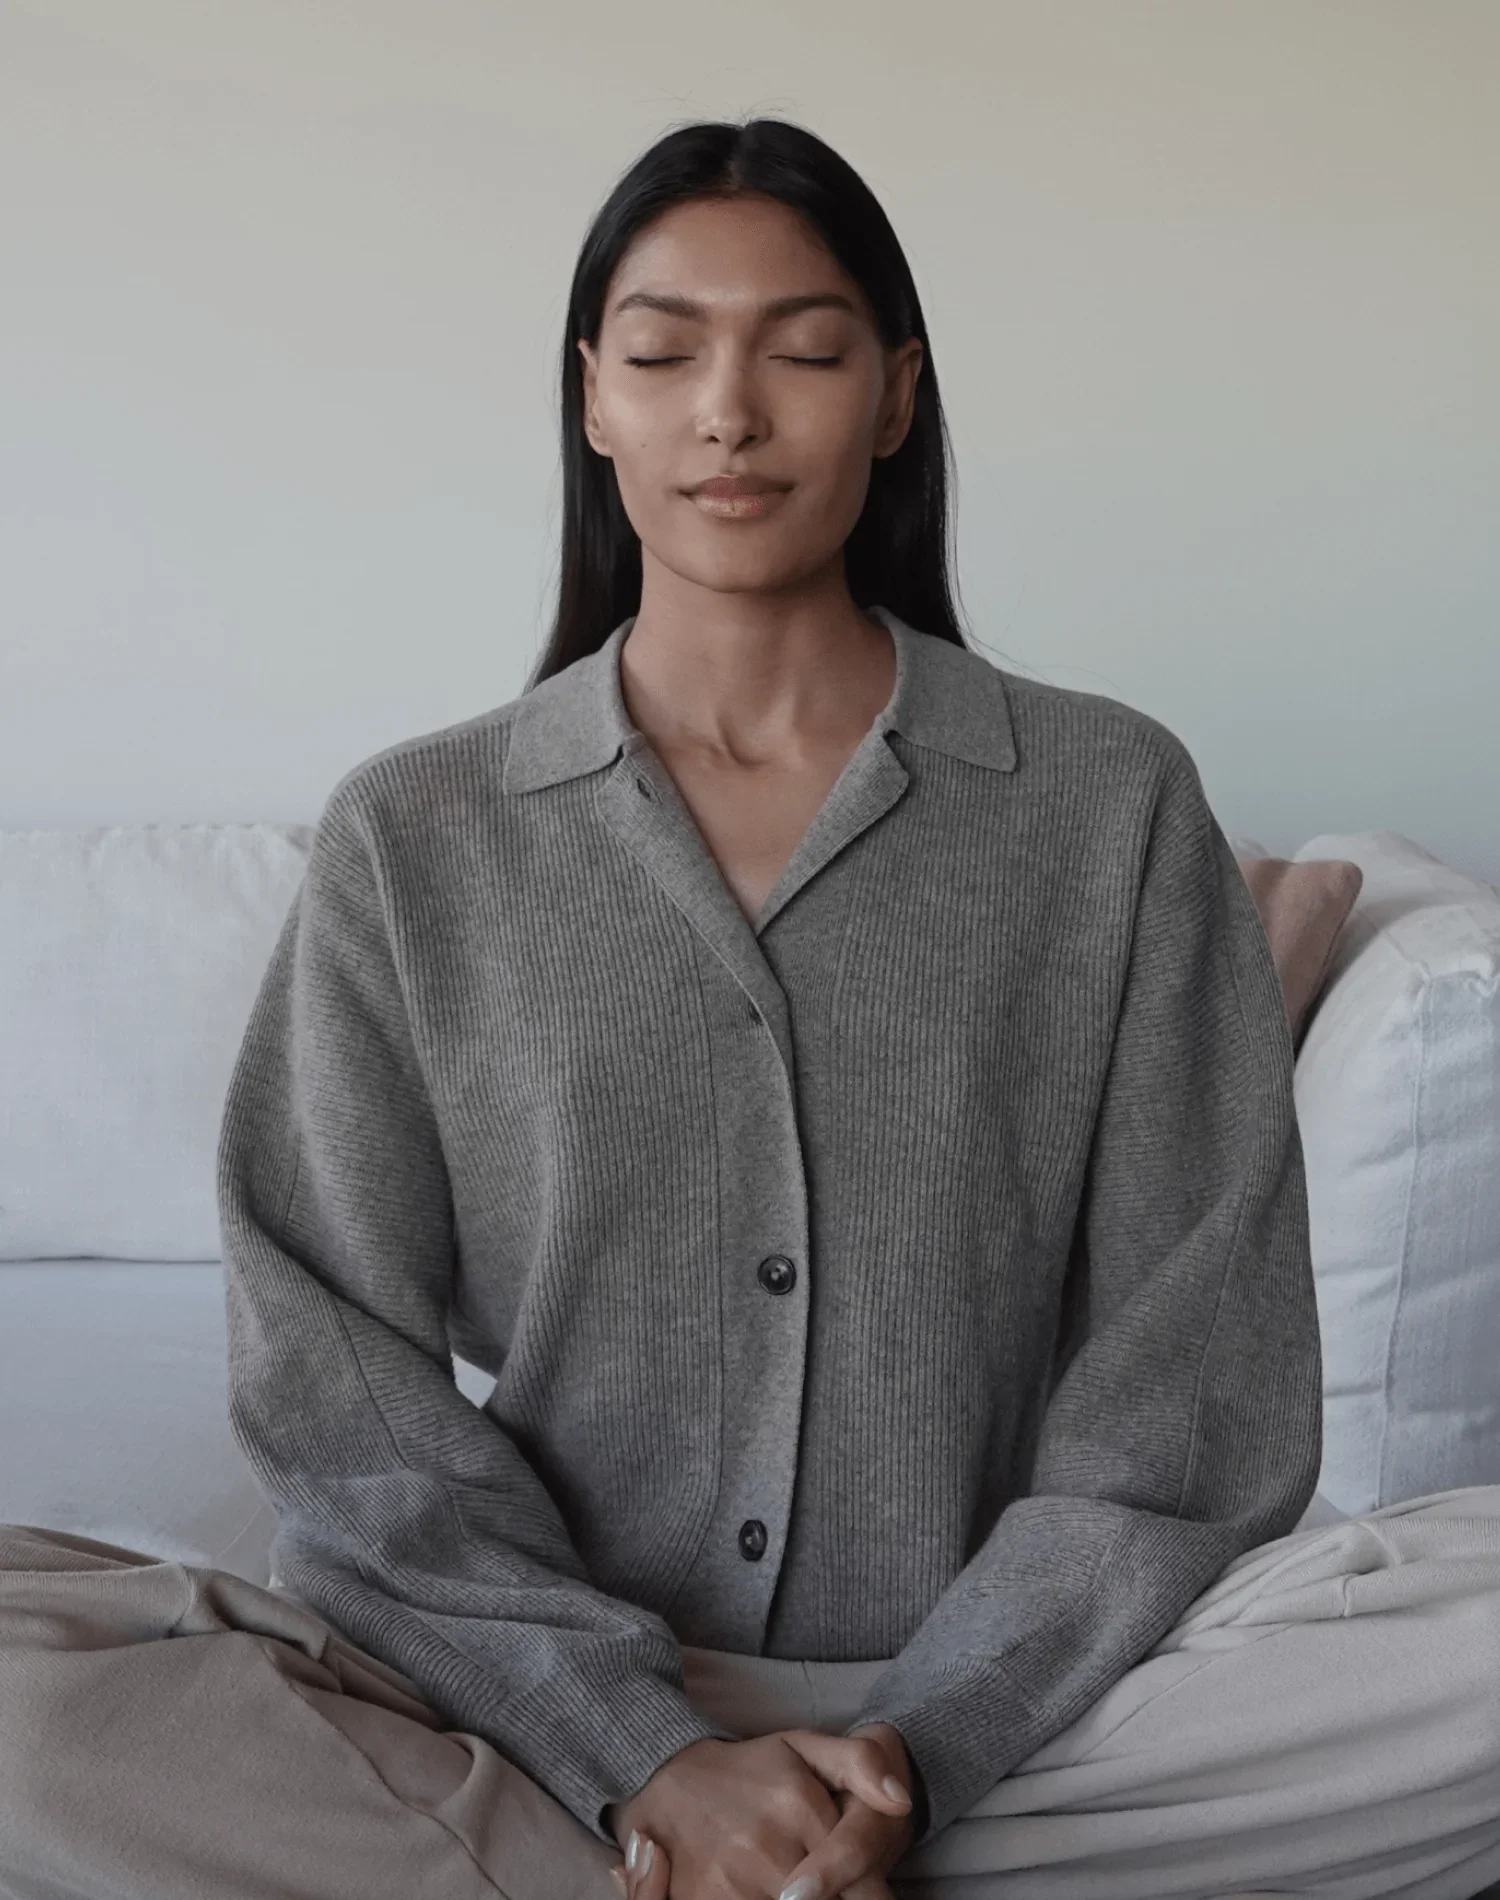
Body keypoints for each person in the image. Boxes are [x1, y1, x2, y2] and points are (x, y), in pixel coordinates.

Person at [3, 114, 1500, 1900]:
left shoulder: (1108, 805)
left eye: (802, 351)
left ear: (893, 397)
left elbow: (1191, 1390)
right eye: (663, 353)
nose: (729, 409)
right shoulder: (417, 836)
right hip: (529, 1692)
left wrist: (917, 1752)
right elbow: (336, 1386)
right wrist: (644, 1750)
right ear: (592, 401)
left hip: (1033, 1700)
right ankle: (713, 1843)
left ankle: (778, 1852)